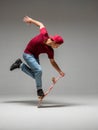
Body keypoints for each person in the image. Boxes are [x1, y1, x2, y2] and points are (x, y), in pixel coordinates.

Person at [10, 16, 65, 98]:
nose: (57, 47)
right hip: (27, 54)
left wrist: (60, 71)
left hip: (35, 56)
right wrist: (31, 20)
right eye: (57, 45)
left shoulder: (50, 50)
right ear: (54, 41)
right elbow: (40, 24)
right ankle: (39, 90)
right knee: (39, 71)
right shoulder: (44, 34)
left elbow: (52, 62)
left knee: (37, 75)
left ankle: (20, 65)